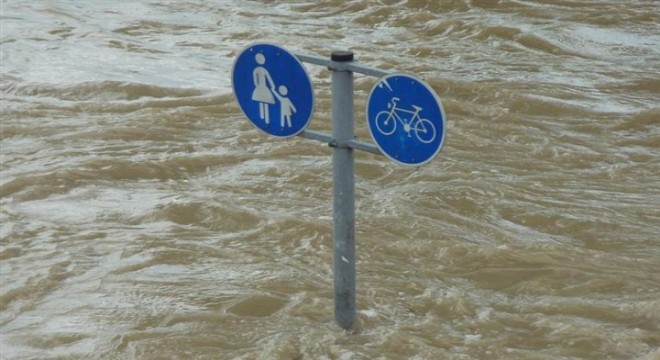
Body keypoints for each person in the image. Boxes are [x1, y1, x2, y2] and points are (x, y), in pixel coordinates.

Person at [251, 53, 275, 124]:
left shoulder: (256, 70)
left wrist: (257, 86)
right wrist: (272, 86)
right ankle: (264, 120)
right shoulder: (260, 70)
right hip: (262, 87)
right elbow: (269, 79)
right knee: (264, 102)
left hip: (260, 87)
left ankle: (264, 119)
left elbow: (257, 80)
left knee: (262, 101)